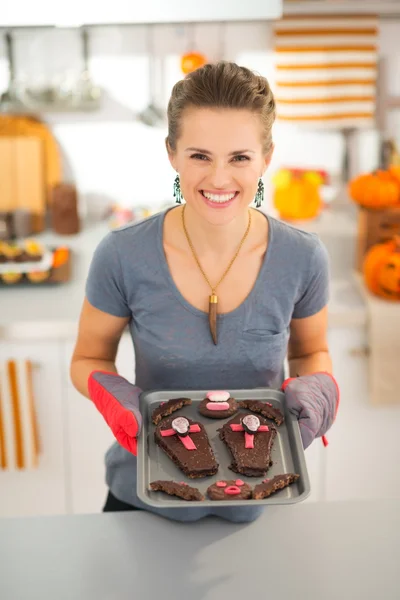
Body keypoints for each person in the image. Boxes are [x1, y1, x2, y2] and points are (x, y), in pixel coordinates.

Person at [70, 61, 339, 523]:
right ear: (172, 153)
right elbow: (87, 359)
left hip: (261, 499)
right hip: (140, 501)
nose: (218, 179)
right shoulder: (121, 254)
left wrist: (315, 388)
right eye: (199, 156)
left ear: (266, 156)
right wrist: (109, 392)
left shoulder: (302, 257)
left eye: (239, 157)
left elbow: (312, 352)